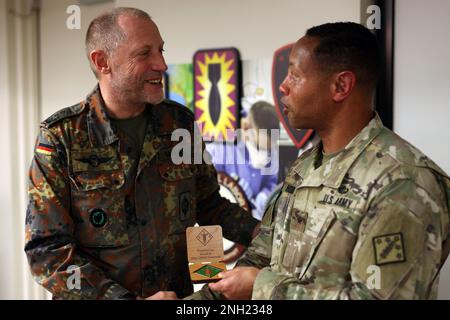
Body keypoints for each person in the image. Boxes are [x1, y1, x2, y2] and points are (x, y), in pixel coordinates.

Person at [189, 22, 450, 300]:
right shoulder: (305, 167)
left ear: (340, 86)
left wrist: (263, 288)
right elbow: (261, 257)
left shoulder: (403, 182)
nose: (283, 86)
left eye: (294, 75)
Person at [24, 7, 259, 300]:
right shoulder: (61, 137)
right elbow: (47, 252)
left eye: (160, 50)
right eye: (144, 53)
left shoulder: (179, 124)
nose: (161, 64)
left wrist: (266, 239)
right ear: (102, 61)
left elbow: (208, 206)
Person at [207, 101, 280, 220]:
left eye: (268, 148)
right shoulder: (221, 149)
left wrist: (263, 199)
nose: (265, 154)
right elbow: (203, 185)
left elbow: (270, 183)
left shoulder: (272, 150)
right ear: (246, 128)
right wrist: (231, 191)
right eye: (259, 147)